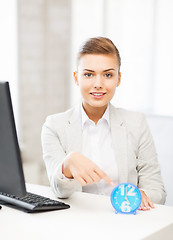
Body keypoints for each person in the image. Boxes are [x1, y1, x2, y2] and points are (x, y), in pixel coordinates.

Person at [41, 37, 166, 211]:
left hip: (126, 223)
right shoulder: (54, 126)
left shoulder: (136, 123)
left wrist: (142, 195)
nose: (98, 84)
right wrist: (66, 167)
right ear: (77, 78)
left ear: (118, 78)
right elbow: (59, 191)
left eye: (107, 75)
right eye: (89, 74)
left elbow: (157, 190)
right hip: (77, 224)